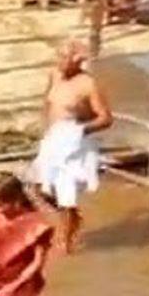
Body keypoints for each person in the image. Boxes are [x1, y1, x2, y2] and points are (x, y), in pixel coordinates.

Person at [28, 40, 113, 253]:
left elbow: (106, 118)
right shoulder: (54, 75)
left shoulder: (88, 84)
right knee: (38, 187)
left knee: (66, 192)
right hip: (53, 138)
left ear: (77, 62)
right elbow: (48, 103)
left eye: (64, 58)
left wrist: (81, 130)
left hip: (75, 140)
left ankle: (65, 243)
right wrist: (45, 130)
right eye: (58, 56)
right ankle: (73, 217)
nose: (60, 62)